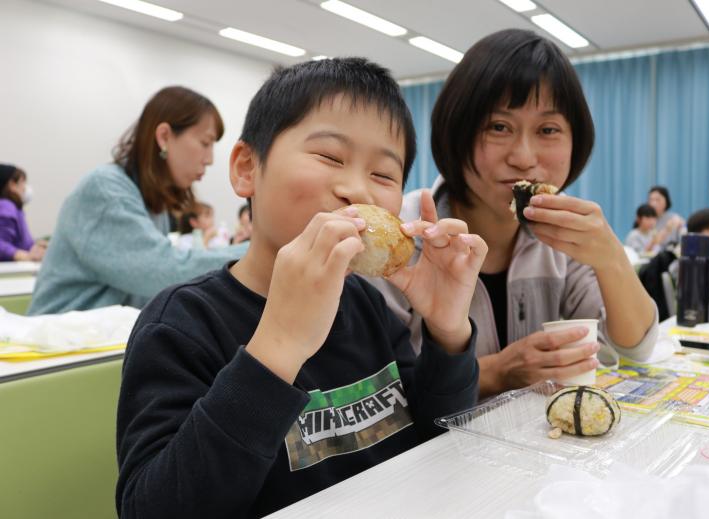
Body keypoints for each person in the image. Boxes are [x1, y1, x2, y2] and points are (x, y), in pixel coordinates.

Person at [116, 58, 486, 518]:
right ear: (247, 168)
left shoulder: (366, 303)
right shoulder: (181, 323)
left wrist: (448, 332)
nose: (358, 191)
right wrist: (279, 345)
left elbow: (434, 444)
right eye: (330, 157)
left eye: (384, 175)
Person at [371, 29, 658, 398]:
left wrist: (611, 259)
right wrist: (498, 371)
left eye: (548, 129)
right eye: (499, 127)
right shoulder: (406, 234)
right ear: (456, 133)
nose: (523, 157)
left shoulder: (564, 234)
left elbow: (633, 350)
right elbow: (378, 397)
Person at [27, 87, 248, 314]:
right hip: (62, 341)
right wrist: (254, 254)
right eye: (205, 143)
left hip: (99, 339)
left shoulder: (150, 201)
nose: (210, 159)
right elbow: (163, 271)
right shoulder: (105, 190)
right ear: (164, 137)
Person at [0, 164, 47, 262]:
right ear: (12, 185)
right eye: (23, 182)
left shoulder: (15, 208)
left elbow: (21, 243)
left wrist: (35, 246)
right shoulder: (6, 206)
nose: (25, 188)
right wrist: (23, 256)